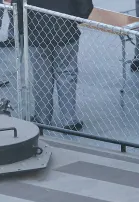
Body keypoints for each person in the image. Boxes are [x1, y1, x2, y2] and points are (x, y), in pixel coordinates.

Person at [26, 0, 94, 130]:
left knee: (41, 77)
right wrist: (75, 18)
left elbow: (17, 7)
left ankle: (42, 118)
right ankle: (69, 120)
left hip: (36, 32)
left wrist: (27, 25)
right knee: (67, 75)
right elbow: (85, 6)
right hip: (65, 31)